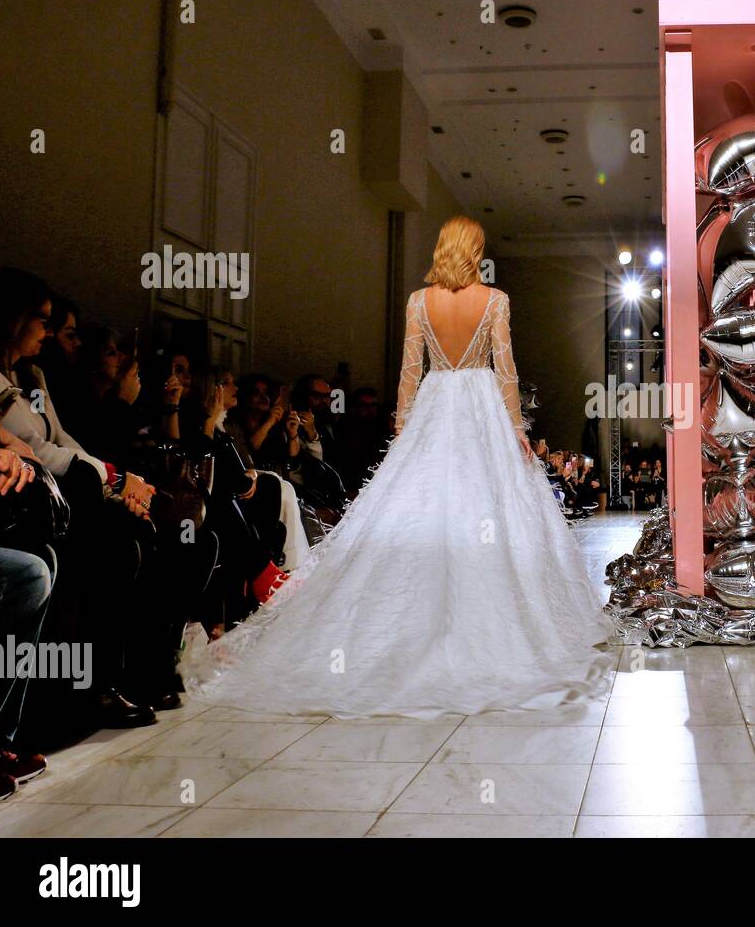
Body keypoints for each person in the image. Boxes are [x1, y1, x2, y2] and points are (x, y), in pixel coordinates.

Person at [179, 215, 613, 717]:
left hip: (434, 405)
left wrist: (406, 426)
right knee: (486, 509)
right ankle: (494, 631)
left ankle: (396, 631)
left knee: (419, 510)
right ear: (474, 250)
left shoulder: (417, 302)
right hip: (479, 407)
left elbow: (411, 369)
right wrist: (516, 429)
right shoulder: (494, 300)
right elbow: (505, 369)